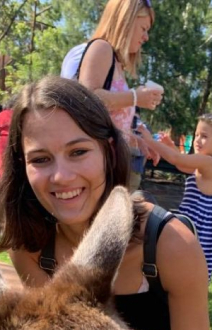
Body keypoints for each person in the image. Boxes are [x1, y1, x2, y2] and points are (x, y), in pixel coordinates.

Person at [0, 76, 212, 330]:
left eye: (78, 152)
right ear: (22, 166)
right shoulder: (30, 248)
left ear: (108, 151)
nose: (61, 176)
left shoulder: (171, 244)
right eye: (40, 159)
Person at [77, 0, 163, 191]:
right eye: (143, 28)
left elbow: (111, 120)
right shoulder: (101, 48)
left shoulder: (117, 63)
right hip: (96, 168)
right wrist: (134, 97)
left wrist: (134, 139)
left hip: (110, 167)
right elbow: (86, 101)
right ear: (126, 20)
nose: (146, 37)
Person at [138, 113, 212, 280]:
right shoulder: (201, 162)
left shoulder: (210, 163)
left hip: (199, 228)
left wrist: (149, 140)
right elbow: (182, 164)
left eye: (204, 136)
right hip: (191, 223)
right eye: (196, 135)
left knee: (189, 267)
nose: (197, 140)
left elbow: (177, 158)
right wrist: (171, 145)